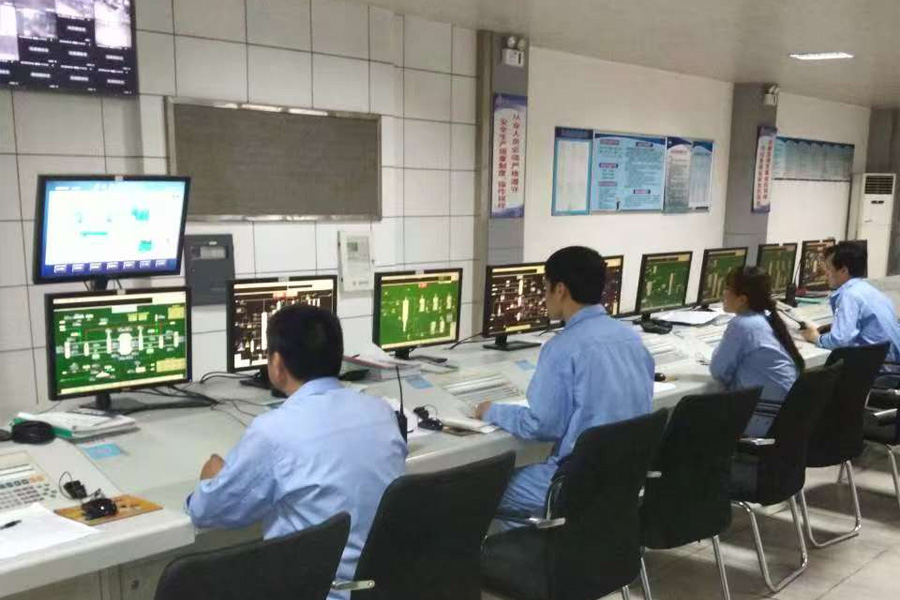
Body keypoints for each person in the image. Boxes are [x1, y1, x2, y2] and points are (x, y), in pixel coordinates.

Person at [186, 305, 407, 599]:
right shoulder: (380, 411)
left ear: (277, 364)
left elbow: (207, 511)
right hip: (382, 589)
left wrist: (213, 478)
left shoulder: (274, 431)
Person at [474, 246, 654, 520]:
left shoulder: (563, 348)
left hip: (575, 483)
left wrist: (491, 411)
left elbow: (542, 425)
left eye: (545, 287)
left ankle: (547, 546)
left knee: (480, 491)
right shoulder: (631, 338)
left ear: (560, 290)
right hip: (623, 479)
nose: (544, 296)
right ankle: (563, 544)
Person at [710, 267, 804, 436]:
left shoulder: (742, 325)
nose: (723, 293)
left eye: (727, 288)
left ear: (742, 299)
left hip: (762, 420)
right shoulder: (766, 319)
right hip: (783, 417)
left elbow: (719, 371)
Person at [801, 241, 900, 366]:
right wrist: (834, 326)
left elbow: (840, 341)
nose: (826, 274)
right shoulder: (868, 290)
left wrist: (816, 337)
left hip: (881, 369)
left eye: (828, 268)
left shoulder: (849, 295)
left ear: (843, 271)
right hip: (892, 363)